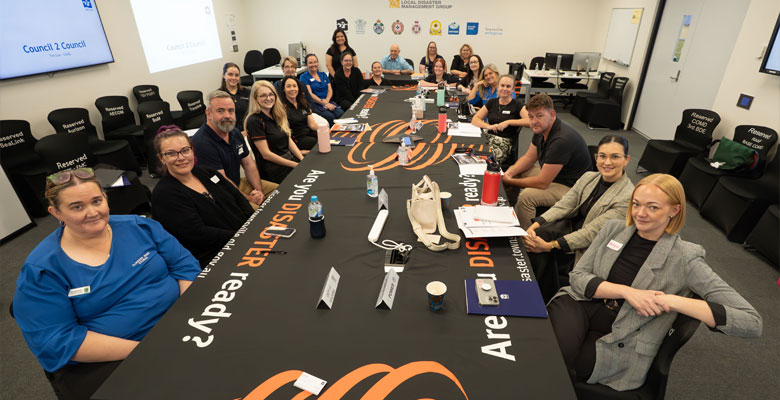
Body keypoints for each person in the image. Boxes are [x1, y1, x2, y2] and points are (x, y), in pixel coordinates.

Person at [548, 173, 762, 391]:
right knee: (547, 353)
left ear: (674, 210)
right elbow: (578, 276)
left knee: (556, 370)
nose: (641, 214)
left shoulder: (686, 258)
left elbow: (751, 322)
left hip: (622, 334)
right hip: (579, 303)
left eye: (653, 207)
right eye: (636, 204)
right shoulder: (613, 229)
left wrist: (673, 301)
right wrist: (627, 292)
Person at [13, 168, 200, 399]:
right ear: (56, 213)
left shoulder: (140, 226)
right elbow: (58, 341)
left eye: (97, 201)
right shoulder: (42, 270)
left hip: (179, 325)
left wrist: (187, 315)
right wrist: (150, 349)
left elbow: (184, 265)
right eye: (77, 207)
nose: (92, 212)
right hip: (114, 357)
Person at [524, 135, 635, 302]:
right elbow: (565, 205)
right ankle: (534, 291)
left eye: (615, 157)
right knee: (538, 235)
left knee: (542, 249)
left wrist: (549, 246)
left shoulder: (627, 196)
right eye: (602, 156)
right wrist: (536, 223)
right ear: (596, 158)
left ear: (626, 160)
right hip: (572, 229)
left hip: (595, 246)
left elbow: (592, 233)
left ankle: (538, 296)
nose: (607, 162)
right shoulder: (589, 177)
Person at [151, 126, 254, 268]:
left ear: (192, 150)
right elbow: (198, 234)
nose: (181, 158)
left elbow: (238, 197)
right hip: (217, 257)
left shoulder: (207, 172)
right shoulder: (164, 195)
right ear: (161, 159)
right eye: (171, 153)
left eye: (185, 150)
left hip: (245, 237)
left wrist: (254, 224)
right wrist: (243, 236)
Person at [502, 94, 591, 228]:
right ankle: (503, 215)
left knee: (526, 197)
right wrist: (508, 174)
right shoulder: (541, 129)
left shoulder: (561, 140)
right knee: (517, 172)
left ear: (552, 114)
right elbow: (528, 158)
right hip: (558, 177)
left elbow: (542, 183)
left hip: (573, 188)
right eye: (531, 117)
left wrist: (510, 181)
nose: (534, 121)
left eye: (539, 115)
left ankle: (526, 243)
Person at [192, 90, 277, 207]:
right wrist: (249, 199)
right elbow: (222, 181)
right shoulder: (203, 142)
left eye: (231, 111)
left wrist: (259, 192)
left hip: (238, 182)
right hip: (221, 193)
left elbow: (248, 164)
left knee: (279, 192)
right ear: (208, 113)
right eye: (220, 111)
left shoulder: (235, 132)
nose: (227, 116)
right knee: (259, 212)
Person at [245, 80, 304, 184]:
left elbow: (288, 139)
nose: (268, 98)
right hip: (274, 170)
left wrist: (301, 158)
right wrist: (295, 165)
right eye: (263, 95)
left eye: (271, 94)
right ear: (255, 99)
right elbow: (266, 154)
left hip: (289, 160)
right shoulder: (254, 121)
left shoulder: (276, 114)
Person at [470, 74, 529, 164]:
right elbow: (475, 119)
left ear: (513, 89)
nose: (504, 89)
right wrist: (488, 126)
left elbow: (530, 121)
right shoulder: (492, 102)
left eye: (508, 86)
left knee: (481, 161)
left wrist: (509, 122)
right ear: (498, 87)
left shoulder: (517, 105)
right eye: (502, 85)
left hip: (503, 143)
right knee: (469, 152)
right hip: (487, 137)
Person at [299, 54, 344, 125]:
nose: (313, 64)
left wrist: (327, 101)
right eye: (310, 63)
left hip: (328, 101)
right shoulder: (304, 77)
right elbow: (310, 94)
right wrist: (324, 103)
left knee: (340, 113)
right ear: (306, 64)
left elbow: (330, 90)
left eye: (315, 62)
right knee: (330, 117)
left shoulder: (323, 74)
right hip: (315, 104)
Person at [279, 76, 319, 152]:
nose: (292, 89)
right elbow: (284, 134)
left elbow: (312, 125)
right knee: (318, 143)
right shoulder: (282, 108)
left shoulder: (302, 102)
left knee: (326, 138)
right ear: (283, 89)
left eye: (294, 86)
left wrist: (325, 131)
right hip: (297, 139)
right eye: (288, 86)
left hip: (308, 133)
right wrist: (297, 151)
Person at [218, 62, 251, 132]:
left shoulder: (247, 92)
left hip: (249, 131)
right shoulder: (218, 96)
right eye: (230, 74)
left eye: (236, 75)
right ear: (223, 75)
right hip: (229, 133)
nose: (234, 78)